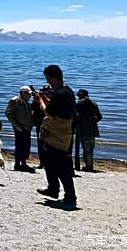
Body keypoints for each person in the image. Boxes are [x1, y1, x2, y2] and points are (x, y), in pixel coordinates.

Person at [34, 65, 78, 209]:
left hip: (57, 132)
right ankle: (54, 189)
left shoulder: (59, 94)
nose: (47, 80)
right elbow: (57, 108)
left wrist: (40, 101)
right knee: (52, 162)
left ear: (52, 77)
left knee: (60, 165)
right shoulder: (67, 91)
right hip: (64, 132)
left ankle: (68, 195)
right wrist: (47, 99)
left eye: (47, 77)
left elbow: (49, 113)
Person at [5, 86, 34, 172]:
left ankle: (23, 163)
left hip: (27, 127)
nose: (30, 96)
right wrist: (16, 126)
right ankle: (18, 164)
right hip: (19, 127)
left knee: (26, 145)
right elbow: (8, 113)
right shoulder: (14, 101)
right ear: (23, 93)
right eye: (28, 94)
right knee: (19, 145)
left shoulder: (26, 102)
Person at [75, 89, 103, 172]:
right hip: (92, 129)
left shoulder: (78, 104)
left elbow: (74, 116)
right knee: (89, 149)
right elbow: (99, 117)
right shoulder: (94, 104)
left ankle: (86, 166)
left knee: (83, 149)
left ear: (80, 96)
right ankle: (89, 165)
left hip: (81, 129)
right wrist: (92, 122)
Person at [31, 85, 52, 169]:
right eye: (45, 92)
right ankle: (42, 163)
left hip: (50, 125)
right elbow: (32, 108)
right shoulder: (38, 100)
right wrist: (36, 100)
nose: (46, 93)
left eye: (47, 92)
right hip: (40, 125)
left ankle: (48, 163)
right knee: (41, 144)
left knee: (49, 145)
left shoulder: (52, 100)